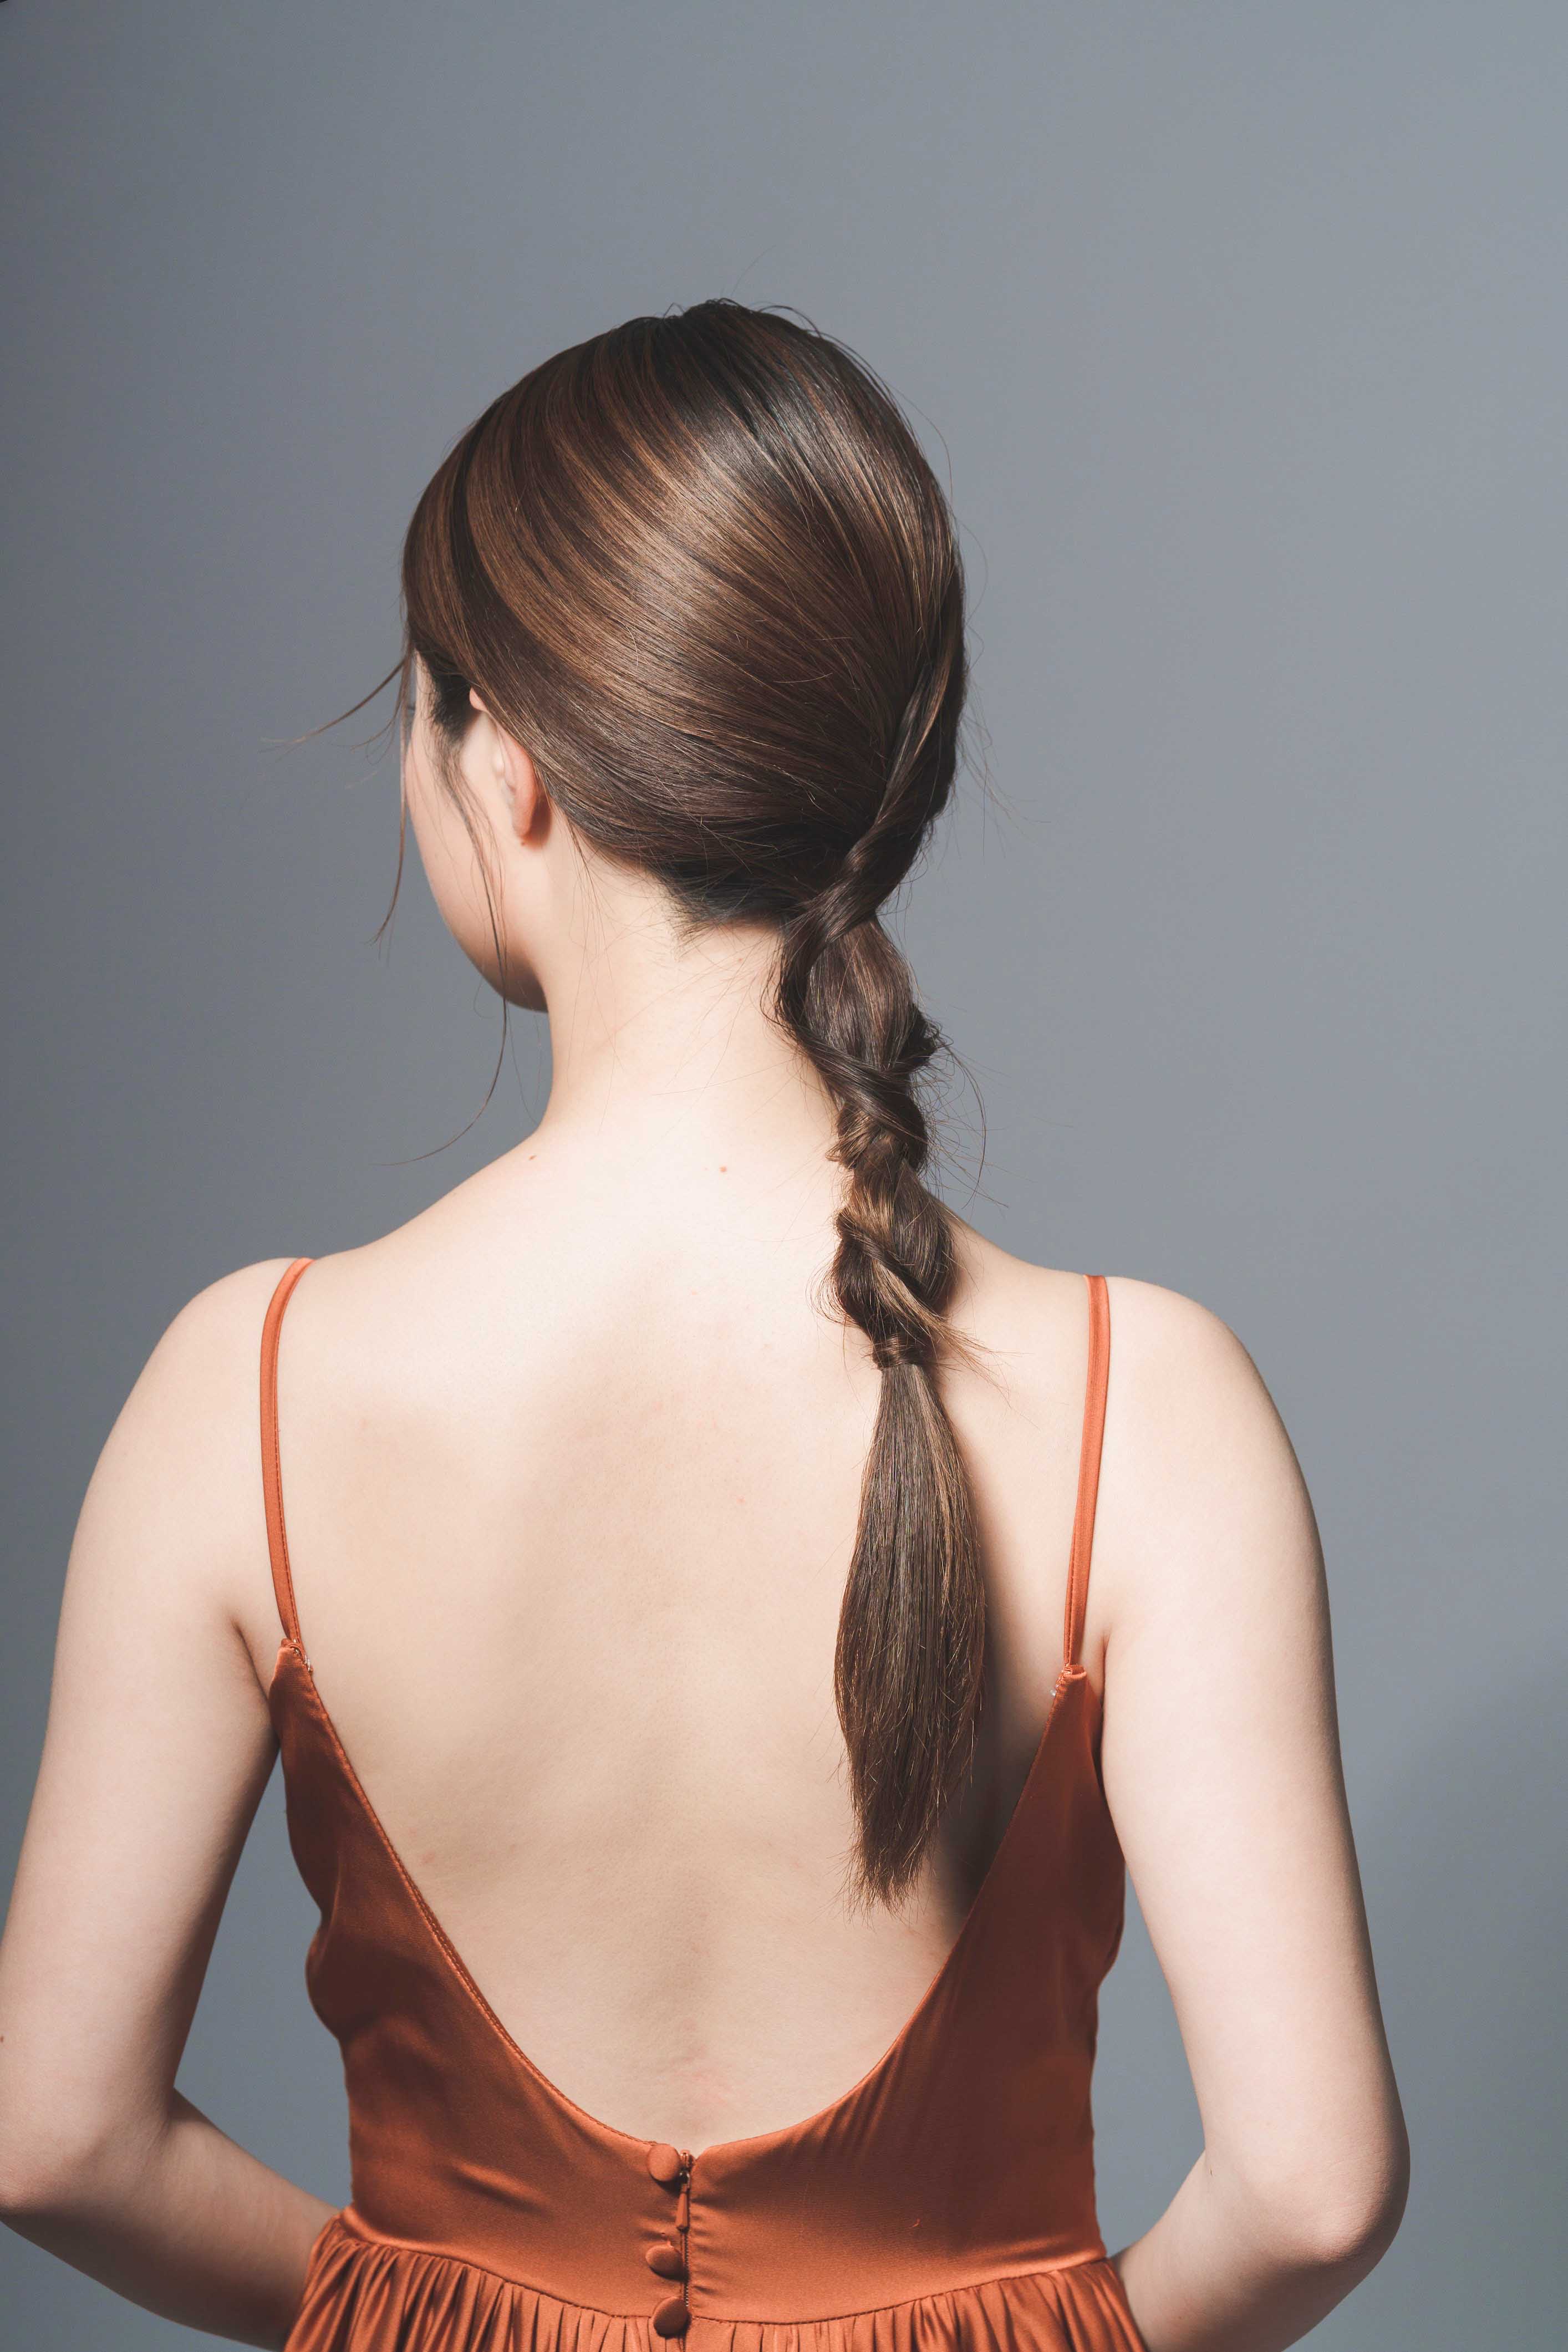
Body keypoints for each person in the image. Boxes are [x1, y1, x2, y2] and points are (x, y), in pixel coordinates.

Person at [0, 301, 1407, 2351]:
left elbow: (53, 2135)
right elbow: (1308, 2187)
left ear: (509, 762)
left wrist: (419, 2316)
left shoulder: (250, 1388)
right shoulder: (1145, 1402)